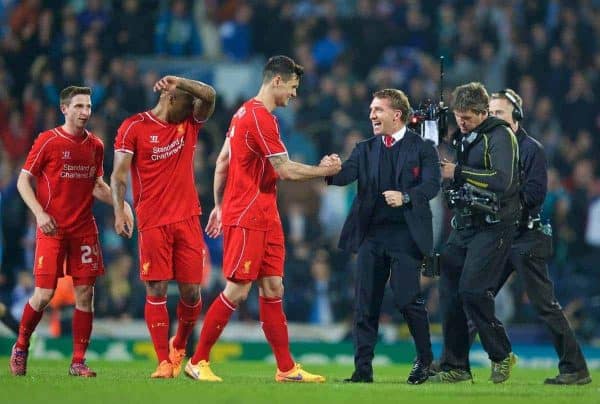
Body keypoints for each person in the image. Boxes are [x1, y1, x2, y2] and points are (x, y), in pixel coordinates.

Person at [185, 55, 340, 383]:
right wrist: (324, 170)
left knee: (273, 287)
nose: (294, 95)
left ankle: (286, 369)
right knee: (237, 290)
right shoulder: (259, 117)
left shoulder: (242, 113)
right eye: (294, 87)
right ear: (277, 81)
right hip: (248, 216)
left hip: (264, 215)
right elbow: (284, 170)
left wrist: (217, 204)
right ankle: (197, 360)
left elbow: (223, 160)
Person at [9, 86, 134, 377]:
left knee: (85, 293)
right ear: (64, 109)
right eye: (78, 106)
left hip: (83, 230)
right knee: (43, 294)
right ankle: (22, 346)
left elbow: (97, 184)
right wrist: (40, 214)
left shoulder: (96, 145)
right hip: (52, 228)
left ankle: (78, 361)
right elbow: (23, 182)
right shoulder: (48, 141)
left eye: (88, 107)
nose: (85, 112)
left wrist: (122, 205)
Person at [326, 89, 440, 384]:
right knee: (365, 304)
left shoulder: (423, 148)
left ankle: (425, 360)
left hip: (406, 236)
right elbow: (344, 176)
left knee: (407, 299)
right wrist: (327, 169)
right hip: (372, 236)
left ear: (396, 115)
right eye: (371, 110)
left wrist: (404, 197)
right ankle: (362, 371)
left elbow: (431, 185)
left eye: (377, 110)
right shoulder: (364, 148)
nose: (371, 115)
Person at [110, 75, 216, 379]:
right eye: (187, 102)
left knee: (192, 293)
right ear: (170, 100)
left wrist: (180, 81)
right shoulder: (134, 127)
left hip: (187, 218)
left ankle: (179, 344)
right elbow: (118, 175)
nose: (194, 108)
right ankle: (163, 362)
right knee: (156, 287)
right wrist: (120, 210)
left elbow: (209, 96)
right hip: (153, 220)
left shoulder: (190, 124)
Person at [488, 89, 591, 385]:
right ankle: (453, 363)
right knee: (476, 296)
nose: (494, 119)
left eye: (500, 114)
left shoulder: (532, 149)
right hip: (498, 235)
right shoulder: (490, 148)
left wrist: (499, 200)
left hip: (525, 237)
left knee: (544, 304)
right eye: (490, 113)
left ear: (516, 118)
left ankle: (575, 368)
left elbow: (535, 195)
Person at [431, 82, 520, 384]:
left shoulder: (500, 135)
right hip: (466, 224)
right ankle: (455, 366)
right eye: (458, 117)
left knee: (472, 290)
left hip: (494, 225)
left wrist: (457, 172)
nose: (461, 123)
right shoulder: (463, 135)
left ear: (483, 113)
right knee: (449, 289)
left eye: (467, 118)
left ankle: (502, 353)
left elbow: (501, 180)